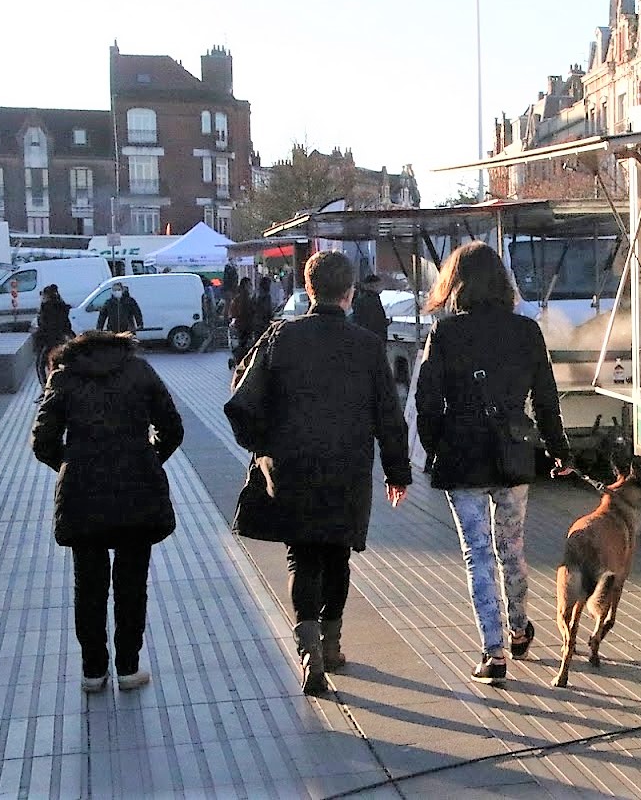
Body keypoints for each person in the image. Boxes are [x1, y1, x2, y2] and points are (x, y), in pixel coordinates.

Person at [224, 250, 412, 695]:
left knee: (301, 556)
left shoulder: (278, 337)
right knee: (336, 554)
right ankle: (331, 645)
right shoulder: (367, 346)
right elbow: (390, 416)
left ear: (308, 290)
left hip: (291, 467)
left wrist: (262, 446)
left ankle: (307, 649)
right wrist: (397, 472)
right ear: (349, 293)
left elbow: (240, 396)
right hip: (347, 468)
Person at [414, 241, 574, 684]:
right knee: (512, 545)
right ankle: (520, 628)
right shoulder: (526, 331)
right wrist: (559, 449)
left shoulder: (444, 334)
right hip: (512, 451)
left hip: (462, 454)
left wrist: (435, 448)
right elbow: (545, 397)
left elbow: (426, 402)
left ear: (455, 283)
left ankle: (493, 652)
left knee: (477, 554)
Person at [30, 331, 184, 692]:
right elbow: (172, 429)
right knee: (133, 583)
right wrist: (148, 459)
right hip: (136, 490)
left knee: (89, 584)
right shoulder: (140, 371)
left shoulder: (64, 377)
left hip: (83, 494)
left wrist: (72, 465)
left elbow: (42, 441)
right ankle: (129, 667)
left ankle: (93, 671)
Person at [33, 284, 75, 392]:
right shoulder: (61, 307)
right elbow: (67, 325)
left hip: (49, 341)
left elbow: (44, 327)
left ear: (47, 296)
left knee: (40, 365)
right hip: (61, 339)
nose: (42, 298)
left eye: (43, 296)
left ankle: (45, 389)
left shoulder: (46, 308)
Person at [349, 273, 389, 342]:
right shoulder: (370, 300)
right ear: (372, 285)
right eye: (378, 285)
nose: (380, 287)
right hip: (371, 337)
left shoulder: (365, 298)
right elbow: (373, 320)